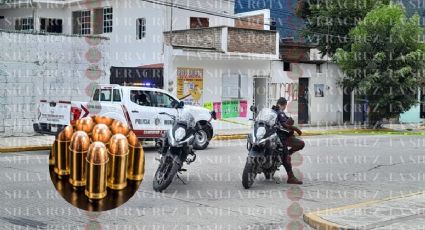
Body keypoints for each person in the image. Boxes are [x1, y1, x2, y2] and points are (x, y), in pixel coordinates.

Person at [274, 97, 304, 185]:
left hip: (274, 135)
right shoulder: (280, 112)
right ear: (284, 105)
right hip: (281, 137)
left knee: (287, 152)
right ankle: (291, 177)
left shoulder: (272, 111)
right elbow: (285, 124)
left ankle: (286, 154)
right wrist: (296, 129)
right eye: (285, 105)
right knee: (288, 155)